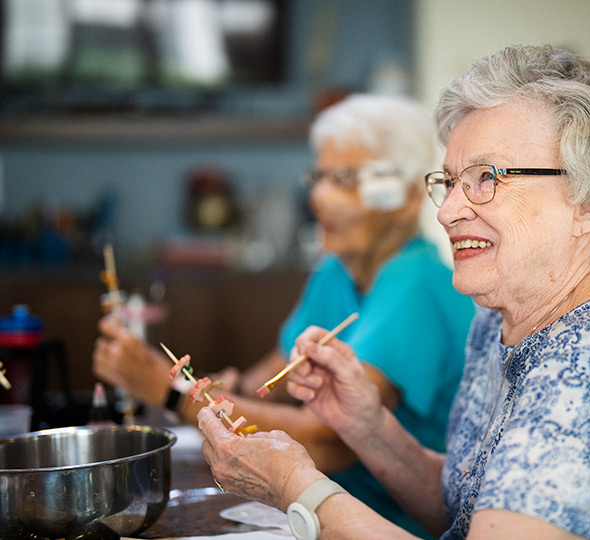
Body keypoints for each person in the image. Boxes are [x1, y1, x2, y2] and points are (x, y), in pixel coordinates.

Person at [198, 44, 590, 539]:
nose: (449, 210)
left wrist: (295, 486)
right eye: (451, 181)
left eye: (486, 178)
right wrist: (368, 426)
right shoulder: (500, 321)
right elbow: (468, 508)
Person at [92, 94, 476, 539]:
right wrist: (221, 390)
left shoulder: (417, 283)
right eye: (319, 177)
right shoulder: (335, 272)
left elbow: (328, 442)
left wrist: (170, 390)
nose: (319, 197)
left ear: (406, 198)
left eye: (346, 180)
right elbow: (266, 386)